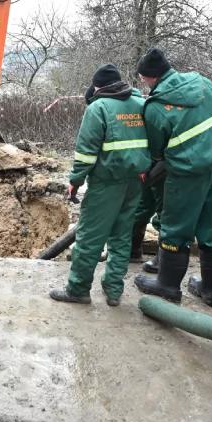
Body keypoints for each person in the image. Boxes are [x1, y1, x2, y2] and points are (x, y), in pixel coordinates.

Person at [132, 49, 212, 307]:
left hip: (187, 173)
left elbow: (157, 152)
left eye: (144, 80)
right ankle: (211, 291)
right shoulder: (203, 83)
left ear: (149, 78)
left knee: (176, 227)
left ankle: (167, 286)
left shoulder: (155, 107)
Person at [50, 64, 151, 307]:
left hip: (107, 183)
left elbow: (85, 153)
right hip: (136, 182)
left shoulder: (98, 108)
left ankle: (78, 289)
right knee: (121, 236)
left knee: (89, 237)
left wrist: (75, 181)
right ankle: (114, 290)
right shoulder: (140, 105)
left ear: (97, 87)